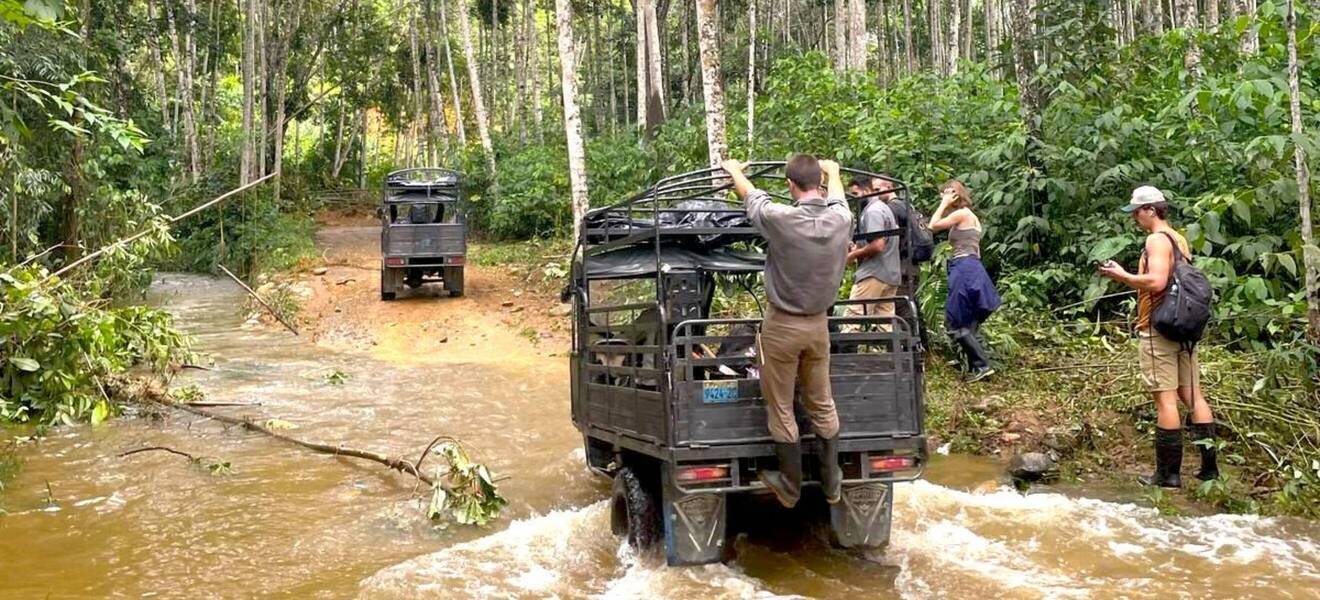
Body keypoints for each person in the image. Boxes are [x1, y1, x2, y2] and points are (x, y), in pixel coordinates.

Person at [722, 155, 852, 508]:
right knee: (822, 402)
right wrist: (835, 171)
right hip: (819, 325)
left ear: (790, 185)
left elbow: (753, 198)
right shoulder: (841, 219)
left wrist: (734, 171)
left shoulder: (783, 219)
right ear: (819, 183)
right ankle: (831, 482)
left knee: (781, 405)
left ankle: (790, 486)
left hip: (783, 325)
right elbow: (838, 198)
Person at [1098, 186, 1218, 488]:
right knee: (1193, 395)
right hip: (1183, 328)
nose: (1135, 218)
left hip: (1159, 328)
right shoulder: (1179, 239)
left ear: (1151, 210)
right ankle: (1209, 470)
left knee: (1166, 400)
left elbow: (1156, 281)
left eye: (1137, 212)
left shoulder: (1155, 240)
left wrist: (1122, 276)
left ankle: (1168, 475)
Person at [928, 179, 1000, 382]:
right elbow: (977, 250)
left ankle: (982, 365)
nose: (943, 197)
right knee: (968, 322)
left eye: (946, 193)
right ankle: (976, 366)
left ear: (954, 195)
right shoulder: (972, 218)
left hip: (964, 267)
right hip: (973, 266)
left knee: (956, 321)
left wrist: (943, 204)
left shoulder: (962, 214)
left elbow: (932, 226)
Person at [845, 177, 902, 330]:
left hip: (874, 273)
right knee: (885, 324)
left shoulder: (873, 211)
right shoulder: (883, 208)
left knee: (852, 320)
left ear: (866, 190)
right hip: (890, 274)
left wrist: (853, 255)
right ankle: (887, 346)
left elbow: (878, 245)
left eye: (855, 193)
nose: (854, 198)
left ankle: (848, 345)